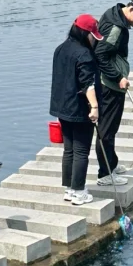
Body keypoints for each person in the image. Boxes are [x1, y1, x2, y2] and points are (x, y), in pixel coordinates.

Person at [94, 0, 133, 184]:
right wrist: (118, 77)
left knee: (112, 127)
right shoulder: (116, 28)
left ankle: (112, 163)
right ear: (132, 9)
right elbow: (100, 55)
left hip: (110, 82)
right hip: (109, 85)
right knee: (106, 129)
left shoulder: (114, 13)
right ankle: (105, 174)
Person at [50, 15, 102, 206]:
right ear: (84, 33)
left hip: (62, 108)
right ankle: (79, 192)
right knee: (81, 151)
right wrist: (95, 108)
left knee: (69, 150)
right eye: (92, 35)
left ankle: (70, 189)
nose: (93, 39)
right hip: (80, 109)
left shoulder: (60, 49)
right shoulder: (84, 54)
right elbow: (88, 84)